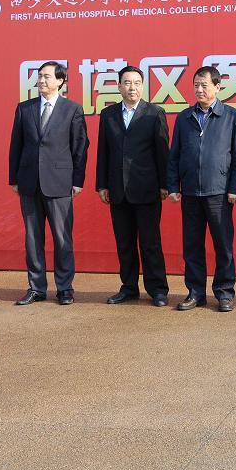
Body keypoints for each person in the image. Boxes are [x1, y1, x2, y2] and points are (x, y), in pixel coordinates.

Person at [167, 65, 236, 312]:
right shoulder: (184, 117)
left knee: (223, 245)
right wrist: (173, 185)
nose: (199, 90)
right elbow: (174, 154)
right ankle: (195, 292)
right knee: (192, 246)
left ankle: (224, 293)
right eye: (196, 85)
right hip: (191, 192)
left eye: (204, 85)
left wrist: (235, 188)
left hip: (219, 192)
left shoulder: (231, 116)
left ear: (217, 87)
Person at [8, 62, 88, 306]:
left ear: (60, 81)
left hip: (59, 183)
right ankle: (36, 288)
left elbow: (80, 147)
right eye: (39, 76)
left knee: (62, 239)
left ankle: (64, 288)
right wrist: (14, 178)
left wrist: (77, 181)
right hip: (29, 182)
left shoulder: (72, 109)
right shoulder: (25, 108)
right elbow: (16, 145)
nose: (41, 81)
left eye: (47, 77)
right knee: (33, 239)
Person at [95, 65, 171, 305]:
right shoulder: (108, 115)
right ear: (119, 86)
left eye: (137, 83)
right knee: (124, 243)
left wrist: (165, 184)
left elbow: (163, 152)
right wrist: (102, 184)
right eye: (127, 83)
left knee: (150, 243)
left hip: (147, 188)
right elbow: (103, 152)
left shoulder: (154, 113)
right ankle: (129, 287)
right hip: (118, 189)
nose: (132, 87)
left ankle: (158, 289)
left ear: (143, 86)